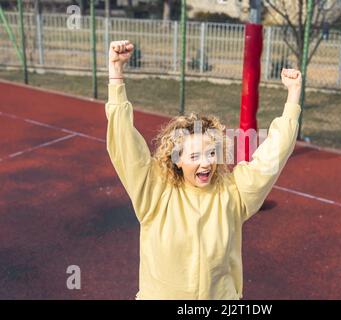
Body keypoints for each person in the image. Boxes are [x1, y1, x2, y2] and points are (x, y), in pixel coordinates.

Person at [106, 40, 302, 299]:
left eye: (211, 152)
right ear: (176, 158)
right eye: (195, 155)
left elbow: (274, 152)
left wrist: (293, 97)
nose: (206, 162)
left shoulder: (233, 193)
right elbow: (123, 139)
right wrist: (116, 73)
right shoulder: (154, 191)